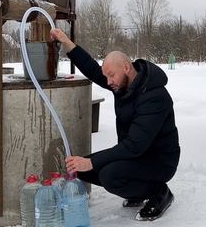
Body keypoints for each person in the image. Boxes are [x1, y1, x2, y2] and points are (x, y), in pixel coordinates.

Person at [50, 28, 180, 221]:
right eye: (107, 77)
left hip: (158, 161)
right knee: (79, 168)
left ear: (126, 68)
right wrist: (66, 42)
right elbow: (94, 70)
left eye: (111, 75)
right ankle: (137, 192)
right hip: (135, 155)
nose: (108, 81)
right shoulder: (122, 84)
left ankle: (159, 192)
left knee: (109, 175)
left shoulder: (154, 97)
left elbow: (135, 146)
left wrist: (91, 162)